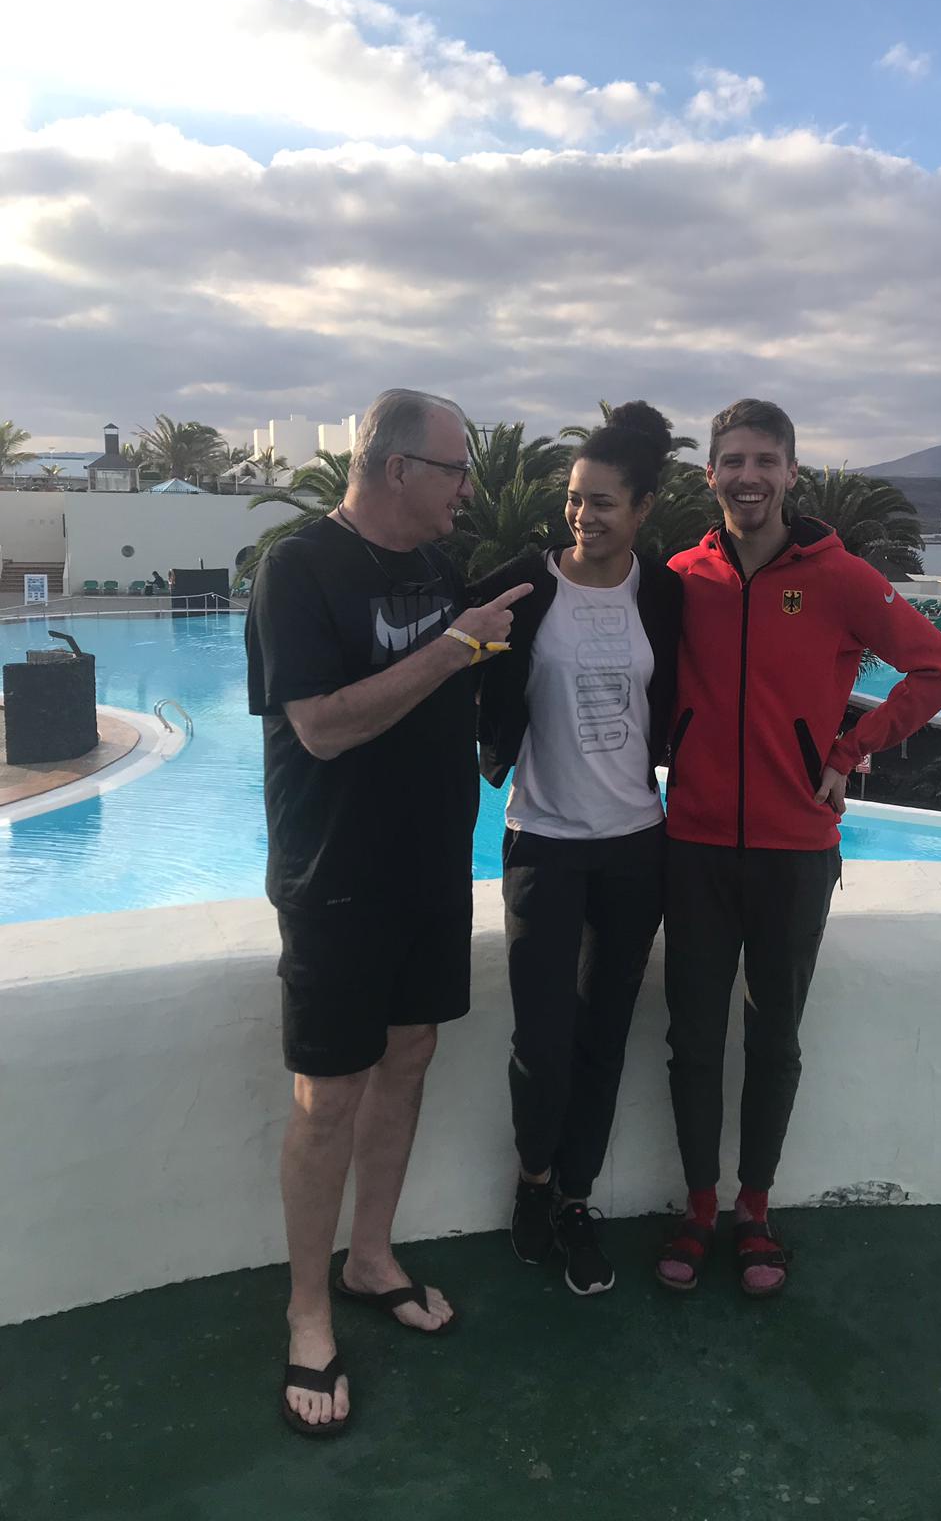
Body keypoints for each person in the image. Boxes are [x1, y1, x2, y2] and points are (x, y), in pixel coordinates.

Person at [245, 389, 531, 1437]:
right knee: (329, 1097)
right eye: (456, 470)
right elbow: (321, 726)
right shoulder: (298, 568)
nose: (470, 490)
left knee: (410, 1056)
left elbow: (473, 684)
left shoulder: (439, 570)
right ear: (399, 467)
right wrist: (458, 647)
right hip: (335, 877)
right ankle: (307, 1311)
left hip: (429, 871)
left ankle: (371, 1259)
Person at [655, 398, 941, 1298]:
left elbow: (940, 668)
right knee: (692, 1037)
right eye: (732, 460)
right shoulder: (681, 577)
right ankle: (700, 1208)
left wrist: (849, 750)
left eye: (765, 460)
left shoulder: (839, 578)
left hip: (795, 848)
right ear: (710, 474)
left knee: (774, 1036)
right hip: (694, 844)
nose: (748, 476)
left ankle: (755, 1211)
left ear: (792, 472)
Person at [474, 402, 683, 1296]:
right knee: (543, 1040)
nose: (582, 516)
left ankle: (574, 1200)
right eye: (573, 498)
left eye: (602, 502)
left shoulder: (663, 594)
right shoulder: (523, 587)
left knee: (605, 1035)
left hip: (636, 845)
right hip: (544, 843)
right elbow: (455, 661)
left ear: (643, 508)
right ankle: (532, 1180)